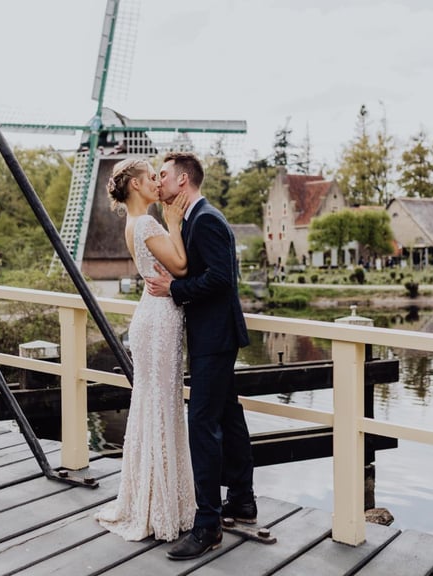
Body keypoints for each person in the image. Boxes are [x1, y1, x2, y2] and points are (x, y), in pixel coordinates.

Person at [145, 152, 255, 561]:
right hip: (212, 335)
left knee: (203, 423)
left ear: (184, 179)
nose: (159, 182)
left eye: (164, 176)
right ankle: (242, 500)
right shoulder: (191, 218)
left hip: (215, 337)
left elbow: (222, 279)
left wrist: (173, 290)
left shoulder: (206, 218)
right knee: (227, 414)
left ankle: (207, 525)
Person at [95, 158, 195, 542]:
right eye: (151, 177)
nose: (157, 182)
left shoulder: (132, 225)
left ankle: (153, 496)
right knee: (160, 405)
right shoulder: (150, 224)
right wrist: (174, 224)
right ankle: (158, 504)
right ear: (135, 185)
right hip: (159, 320)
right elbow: (182, 268)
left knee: (155, 404)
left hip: (153, 316)